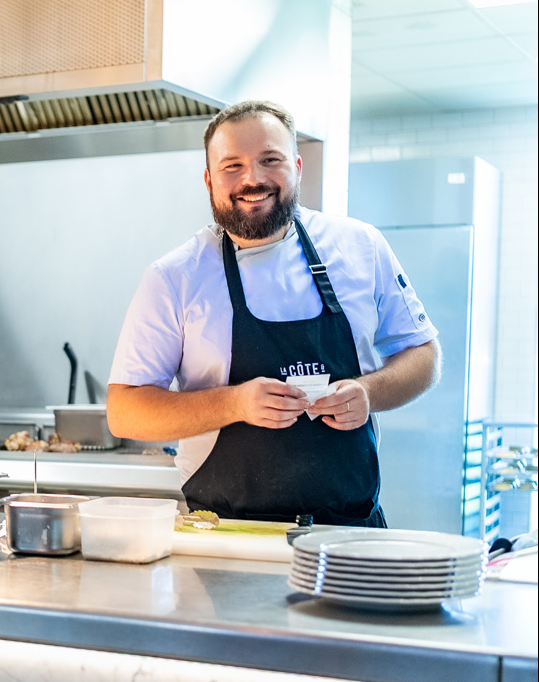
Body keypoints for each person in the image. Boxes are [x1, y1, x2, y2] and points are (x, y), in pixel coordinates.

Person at [106, 100, 441, 526]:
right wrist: (235, 403)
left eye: (271, 160)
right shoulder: (175, 277)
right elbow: (125, 411)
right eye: (233, 166)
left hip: (350, 536)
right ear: (208, 180)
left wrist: (369, 393)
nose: (253, 179)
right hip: (226, 540)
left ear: (297, 167)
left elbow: (424, 355)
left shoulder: (361, 246)